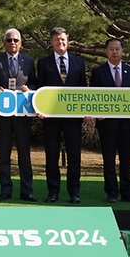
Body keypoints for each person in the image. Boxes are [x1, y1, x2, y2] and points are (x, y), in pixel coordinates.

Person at [36, 26, 87, 204]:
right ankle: (53, 192)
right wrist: (39, 109)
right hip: (51, 119)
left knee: (74, 156)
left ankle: (74, 192)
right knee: (52, 156)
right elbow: (39, 90)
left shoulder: (79, 63)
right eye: (57, 40)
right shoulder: (43, 63)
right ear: (51, 42)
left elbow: (84, 90)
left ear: (68, 42)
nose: (60, 42)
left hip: (73, 118)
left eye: (63, 40)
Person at [0, 28, 36, 201]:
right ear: (4, 42)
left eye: (16, 40)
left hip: (23, 113)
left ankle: (27, 190)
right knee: (3, 153)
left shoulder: (29, 61)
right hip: (3, 115)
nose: (12, 43)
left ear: (21, 43)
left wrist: (29, 89)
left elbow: (35, 83)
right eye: (9, 40)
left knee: (24, 153)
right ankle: (5, 189)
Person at [90, 38, 130, 203]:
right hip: (107, 124)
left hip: (126, 124)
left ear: (122, 51)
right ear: (106, 51)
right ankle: (111, 192)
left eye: (117, 49)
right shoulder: (98, 72)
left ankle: (127, 192)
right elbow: (93, 97)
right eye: (111, 49)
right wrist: (96, 113)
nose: (115, 51)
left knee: (126, 158)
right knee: (108, 159)